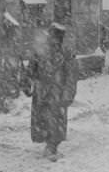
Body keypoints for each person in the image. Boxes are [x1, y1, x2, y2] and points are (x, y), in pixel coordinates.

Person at [26, 23, 78, 161]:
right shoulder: (41, 51)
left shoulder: (65, 54)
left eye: (57, 36)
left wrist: (68, 93)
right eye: (53, 36)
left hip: (56, 93)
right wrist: (28, 82)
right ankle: (49, 145)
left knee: (55, 122)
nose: (54, 39)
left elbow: (71, 75)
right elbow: (31, 68)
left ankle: (51, 146)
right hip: (44, 92)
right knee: (45, 121)